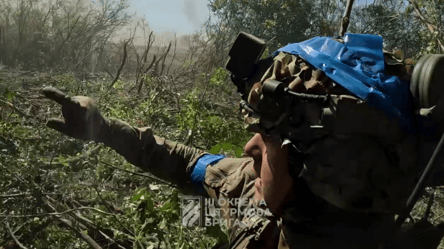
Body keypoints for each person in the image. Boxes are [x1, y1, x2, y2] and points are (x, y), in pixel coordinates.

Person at [42, 33, 444, 249]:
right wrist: (103, 128)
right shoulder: (265, 192)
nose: (249, 151)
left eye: (267, 139)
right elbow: (189, 164)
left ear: (304, 170)